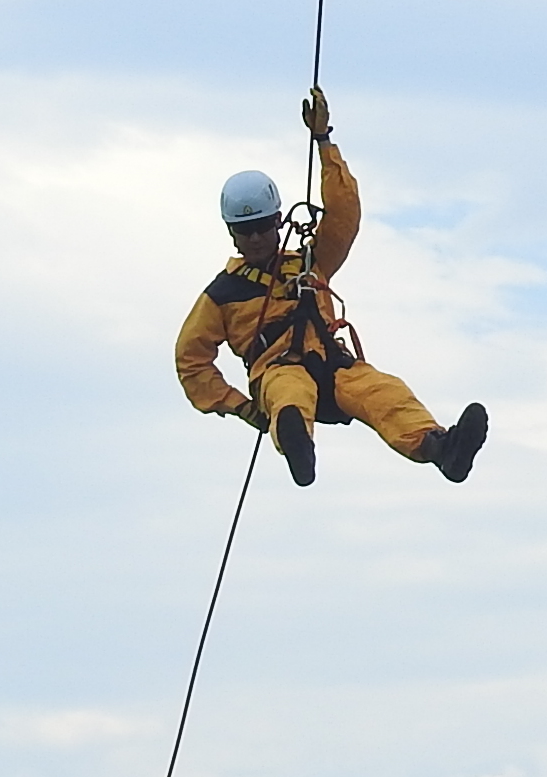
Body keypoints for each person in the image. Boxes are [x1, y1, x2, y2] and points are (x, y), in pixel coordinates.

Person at [175, 89, 489, 488]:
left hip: (335, 367)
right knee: (289, 394)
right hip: (278, 370)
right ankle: (297, 446)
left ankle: (441, 449)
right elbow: (191, 361)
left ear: (277, 221)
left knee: (383, 391)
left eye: (263, 226)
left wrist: (324, 141)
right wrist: (240, 406)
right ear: (231, 232)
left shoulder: (310, 263)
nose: (255, 238)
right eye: (245, 230)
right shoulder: (221, 295)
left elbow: (343, 217)